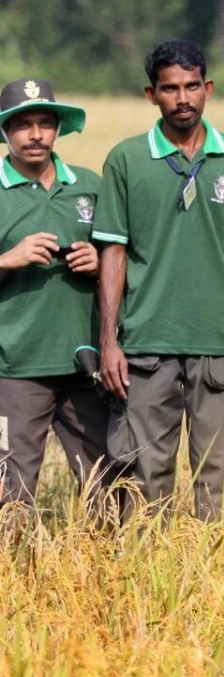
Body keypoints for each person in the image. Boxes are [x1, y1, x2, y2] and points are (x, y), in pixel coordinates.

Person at [93, 40, 224, 526]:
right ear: (151, 94)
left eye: (192, 86)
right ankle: (142, 587)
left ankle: (217, 586)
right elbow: (112, 251)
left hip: (219, 343)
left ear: (208, 88)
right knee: (143, 475)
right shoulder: (126, 160)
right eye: (170, 88)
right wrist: (109, 340)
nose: (183, 99)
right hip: (146, 344)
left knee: (220, 476)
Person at [0, 78, 127, 516]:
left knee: (108, 483)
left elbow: (126, 262)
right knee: (9, 488)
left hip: (85, 362)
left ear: (58, 129)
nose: (35, 134)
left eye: (45, 123)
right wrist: (8, 259)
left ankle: (109, 573)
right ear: (5, 132)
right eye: (22, 125)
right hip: (14, 366)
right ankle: (15, 575)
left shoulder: (89, 187)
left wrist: (100, 263)